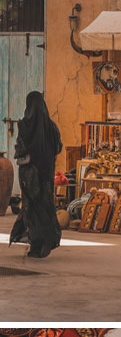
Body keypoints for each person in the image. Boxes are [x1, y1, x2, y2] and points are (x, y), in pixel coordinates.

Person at [10, 91, 63, 258]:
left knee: (31, 206)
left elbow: (21, 150)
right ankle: (44, 241)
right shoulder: (52, 126)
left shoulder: (25, 125)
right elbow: (58, 147)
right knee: (45, 205)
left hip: (29, 174)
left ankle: (36, 243)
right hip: (46, 173)